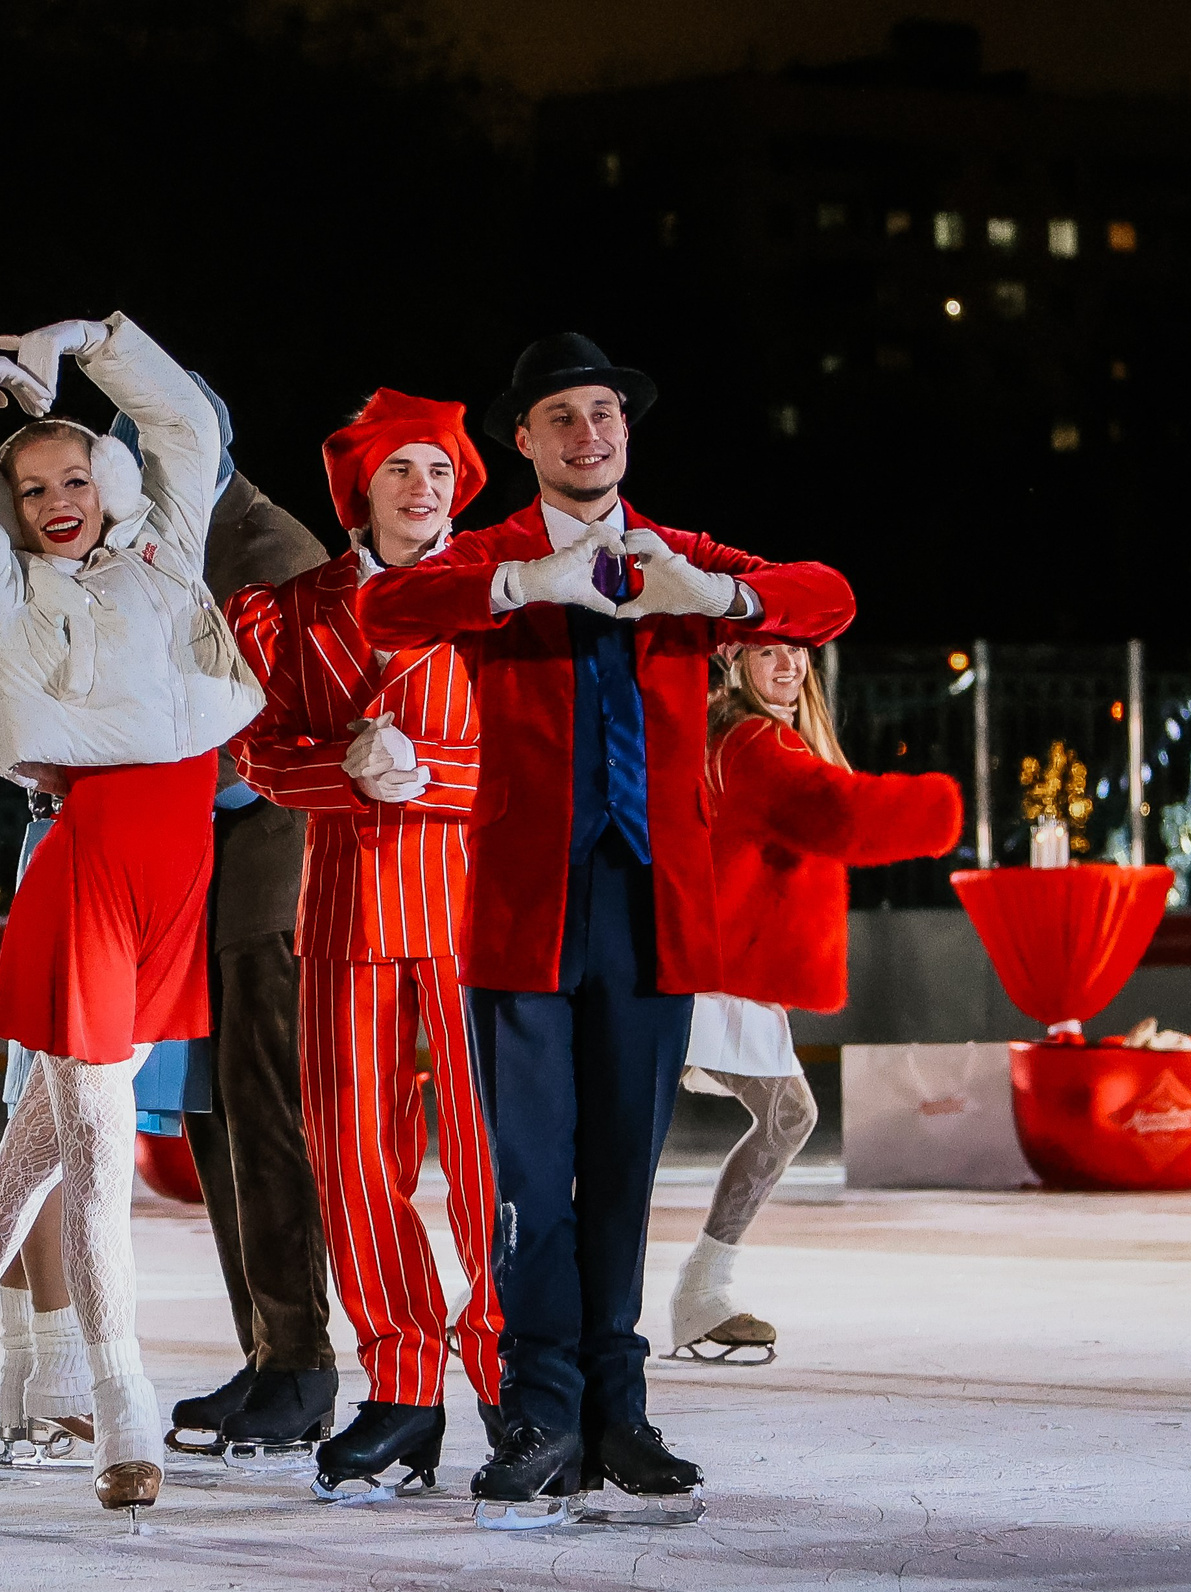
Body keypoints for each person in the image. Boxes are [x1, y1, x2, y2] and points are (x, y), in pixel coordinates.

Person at [354, 333, 857, 1527]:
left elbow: (830, 595)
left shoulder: (675, 555)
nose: (590, 434)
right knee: (530, 1176)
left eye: (604, 415)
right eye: (562, 418)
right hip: (527, 919)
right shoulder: (495, 555)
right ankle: (539, 1408)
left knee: (624, 1170)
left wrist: (723, 597)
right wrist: (519, 588)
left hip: (653, 909)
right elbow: (386, 604)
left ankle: (617, 1413)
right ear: (522, 443)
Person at [0, 312, 264, 1525]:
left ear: (110, 482)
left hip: (173, 886)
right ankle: (123, 1415)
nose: (59, 497)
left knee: (33, 1160)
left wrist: (91, 340)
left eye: (76, 475)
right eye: (33, 487)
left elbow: (187, 421)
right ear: (10, 509)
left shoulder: (165, 553)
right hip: (85, 880)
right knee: (94, 1167)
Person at [228, 390, 502, 1497]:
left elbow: (541, 754)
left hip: (471, 911)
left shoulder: (499, 597)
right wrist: (336, 772)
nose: (422, 489)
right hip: (342, 907)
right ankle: (401, 1391)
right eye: (401, 470)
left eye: (438, 471)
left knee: (496, 1162)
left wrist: (435, 781)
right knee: (353, 1162)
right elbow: (258, 751)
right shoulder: (291, 610)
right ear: (362, 489)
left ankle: (509, 1375)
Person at [110, 384, 340, 1458]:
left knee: (263, 1101)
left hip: (272, 859)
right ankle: (264, 1351)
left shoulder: (267, 546)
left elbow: (280, 720)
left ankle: (301, 1360)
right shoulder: (170, 538)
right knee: (211, 1109)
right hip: (204, 859)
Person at [669, 642, 961, 1362]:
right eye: (769, 651)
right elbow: (835, 811)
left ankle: (698, 1290)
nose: (789, 666)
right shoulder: (754, 737)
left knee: (779, 1114)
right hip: (708, 972)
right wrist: (937, 808)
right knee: (632, 1142)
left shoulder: (752, 731)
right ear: (735, 659)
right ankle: (514, 1289)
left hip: (718, 966)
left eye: (797, 651)